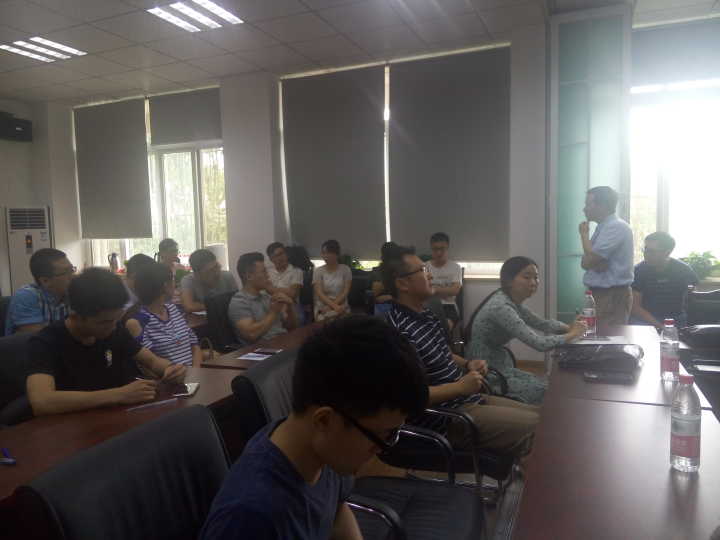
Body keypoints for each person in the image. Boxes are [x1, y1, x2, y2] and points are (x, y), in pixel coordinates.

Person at [199, 315, 429, 540]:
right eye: (382, 436)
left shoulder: (325, 450)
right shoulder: (251, 518)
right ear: (324, 421)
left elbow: (336, 511)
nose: (381, 450)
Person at [382, 245, 539, 457]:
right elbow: (408, 398)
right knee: (539, 428)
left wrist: (467, 363)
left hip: (467, 399)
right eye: (423, 270)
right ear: (402, 283)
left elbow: (443, 352)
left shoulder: (426, 314)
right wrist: (459, 387)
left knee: (542, 416)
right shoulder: (396, 331)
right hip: (447, 418)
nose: (430, 275)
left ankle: (519, 469)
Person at [25, 268, 186, 416]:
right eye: (104, 322)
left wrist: (170, 369)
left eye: (117, 319)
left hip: (115, 417)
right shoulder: (45, 342)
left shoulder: (114, 329)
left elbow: (151, 361)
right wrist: (119, 394)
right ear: (75, 315)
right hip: (71, 426)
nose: (113, 327)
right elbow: (41, 401)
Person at [466, 257, 587, 404]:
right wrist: (573, 334)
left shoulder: (510, 301)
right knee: (547, 392)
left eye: (536, 277)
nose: (534, 282)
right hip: (488, 373)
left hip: (500, 364)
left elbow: (541, 323)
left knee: (546, 384)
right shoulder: (501, 307)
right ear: (509, 280)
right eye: (527, 277)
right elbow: (539, 344)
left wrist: (568, 328)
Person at [579, 186, 634, 331]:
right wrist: (593, 261)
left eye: (588, 204)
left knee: (609, 338)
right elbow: (586, 263)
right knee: (595, 335)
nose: (584, 209)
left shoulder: (615, 227)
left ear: (602, 206)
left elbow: (590, 260)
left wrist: (584, 236)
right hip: (602, 294)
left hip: (612, 295)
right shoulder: (603, 227)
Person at [126, 263, 201, 367]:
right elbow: (147, 364)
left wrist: (195, 371)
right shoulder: (138, 321)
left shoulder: (173, 309)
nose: (175, 285)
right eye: (173, 280)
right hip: (169, 375)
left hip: (193, 373)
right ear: (165, 286)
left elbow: (194, 344)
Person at [631, 232, 699, 329]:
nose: (646, 254)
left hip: (676, 319)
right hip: (645, 321)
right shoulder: (638, 271)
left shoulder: (683, 269)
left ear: (667, 252)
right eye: (645, 249)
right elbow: (635, 307)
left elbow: (693, 292)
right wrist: (661, 327)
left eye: (651, 251)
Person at [229, 252, 298, 344]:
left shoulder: (266, 296)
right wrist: (273, 312)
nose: (268, 276)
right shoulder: (239, 302)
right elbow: (251, 334)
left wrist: (289, 307)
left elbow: (291, 327)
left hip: (282, 342)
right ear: (249, 276)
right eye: (264, 272)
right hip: (264, 348)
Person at [5, 248, 74, 335]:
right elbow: (40, 338)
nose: (73, 276)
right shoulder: (26, 296)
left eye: (72, 270)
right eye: (66, 272)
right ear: (45, 281)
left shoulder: (70, 293)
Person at [180, 249, 238, 313]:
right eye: (210, 271)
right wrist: (220, 305)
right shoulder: (188, 281)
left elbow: (237, 301)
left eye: (217, 267)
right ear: (197, 274)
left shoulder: (227, 276)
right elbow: (189, 306)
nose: (217, 272)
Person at [426, 232, 463, 326]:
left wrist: (434, 289)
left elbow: (455, 290)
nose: (439, 253)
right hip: (429, 305)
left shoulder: (456, 267)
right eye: (435, 249)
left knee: (445, 327)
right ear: (431, 249)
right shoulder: (425, 267)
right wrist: (446, 290)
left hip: (449, 306)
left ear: (447, 248)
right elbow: (424, 290)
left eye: (442, 249)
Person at [313, 240, 352, 322]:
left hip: (341, 305)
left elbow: (345, 291)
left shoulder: (346, 269)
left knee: (342, 321)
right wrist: (333, 306)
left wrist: (333, 306)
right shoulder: (318, 271)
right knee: (327, 321)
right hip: (323, 307)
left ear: (336, 254)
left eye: (328, 253)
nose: (325, 256)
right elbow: (319, 293)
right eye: (323, 253)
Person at [370, 242, 398, 316]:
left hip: (400, 304)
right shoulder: (378, 271)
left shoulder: (402, 269)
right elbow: (377, 297)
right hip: (384, 306)